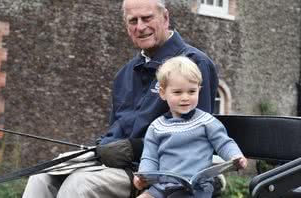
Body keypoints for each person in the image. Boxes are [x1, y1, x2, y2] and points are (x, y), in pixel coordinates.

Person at [22, 0, 218, 197]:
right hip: (116, 167)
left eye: (147, 18)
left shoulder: (193, 63)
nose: (140, 27)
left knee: (79, 184)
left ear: (165, 17)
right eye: (133, 21)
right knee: (42, 175)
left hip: (157, 173)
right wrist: (104, 146)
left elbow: (194, 139)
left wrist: (133, 148)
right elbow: (115, 131)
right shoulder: (125, 74)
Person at [133, 56, 248, 198]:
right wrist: (143, 176)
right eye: (177, 92)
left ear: (199, 90)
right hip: (162, 187)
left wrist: (235, 156)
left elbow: (224, 143)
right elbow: (149, 157)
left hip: (196, 188)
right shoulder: (157, 127)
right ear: (163, 93)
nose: (185, 97)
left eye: (191, 91)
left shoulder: (206, 121)